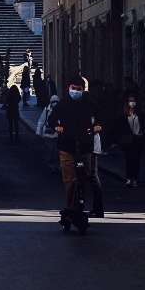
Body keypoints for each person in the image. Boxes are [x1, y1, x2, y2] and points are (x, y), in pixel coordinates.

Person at [49, 77, 103, 220]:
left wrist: (98, 125)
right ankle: (72, 206)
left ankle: (81, 200)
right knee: (70, 179)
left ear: (83, 90)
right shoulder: (63, 104)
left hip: (85, 145)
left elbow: (100, 118)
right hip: (67, 145)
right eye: (73, 88)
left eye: (78, 89)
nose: (76, 91)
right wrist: (57, 126)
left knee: (84, 176)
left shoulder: (90, 106)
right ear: (69, 88)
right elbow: (52, 119)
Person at [118, 95, 145, 187]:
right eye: (130, 101)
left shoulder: (141, 114)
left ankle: (135, 178)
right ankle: (129, 178)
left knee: (136, 160)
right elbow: (121, 128)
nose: (132, 103)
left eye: (134, 100)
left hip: (138, 139)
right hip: (128, 139)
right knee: (128, 159)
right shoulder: (124, 115)